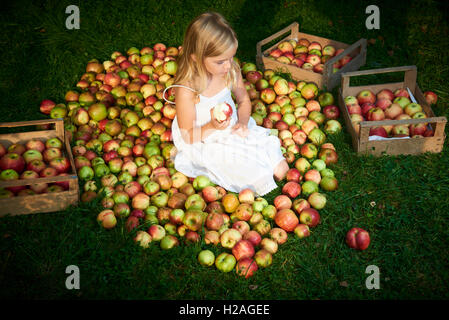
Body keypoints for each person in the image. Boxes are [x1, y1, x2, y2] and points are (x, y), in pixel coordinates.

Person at [165, 11, 289, 196]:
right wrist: (212, 126)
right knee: (252, 175)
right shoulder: (188, 89)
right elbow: (188, 136)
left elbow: (244, 100)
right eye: (220, 61)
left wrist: (243, 123)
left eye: (231, 58)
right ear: (196, 58)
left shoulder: (231, 70)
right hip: (204, 136)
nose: (228, 65)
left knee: (281, 168)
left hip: (232, 126)